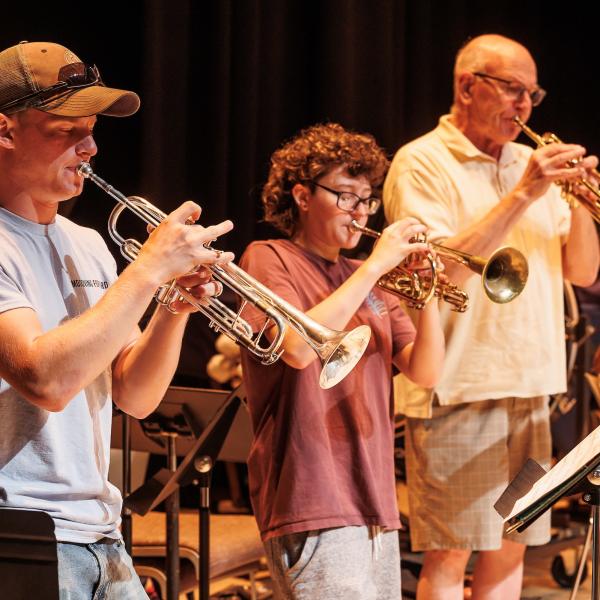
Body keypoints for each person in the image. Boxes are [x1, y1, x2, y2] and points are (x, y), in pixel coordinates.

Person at [0, 41, 234, 599]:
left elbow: (134, 394)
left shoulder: (88, 244)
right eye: (67, 130)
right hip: (21, 528)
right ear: (5, 130)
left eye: (93, 129)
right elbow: (46, 381)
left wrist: (174, 308)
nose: (90, 146)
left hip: (104, 534)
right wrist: (149, 269)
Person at [383, 34, 600, 600]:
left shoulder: (530, 164)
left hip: (533, 387)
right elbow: (436, 274)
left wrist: (577, 200)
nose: (524, 107)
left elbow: (581, 270)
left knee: (512, 548)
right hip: (461, 387)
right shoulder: (422, 160)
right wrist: (527, 191)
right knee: (451, 552)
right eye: (511, 89)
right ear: (467, 86)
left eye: (532, 94)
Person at [238, 122, 445, 599]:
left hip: (376, 498)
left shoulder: (368, 279)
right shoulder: (270, 258)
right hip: (313, 495)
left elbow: (426, 371)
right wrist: (377, 264)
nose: (360, 211)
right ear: (303, 195)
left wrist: (427, 291)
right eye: (346, 196)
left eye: (367, 200)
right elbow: (296, 347)